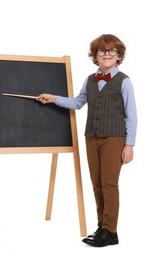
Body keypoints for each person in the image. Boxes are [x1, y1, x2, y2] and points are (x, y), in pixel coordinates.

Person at [37, 34, 137, 247]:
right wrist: (54, 98)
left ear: (119, 56)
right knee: (97, 184)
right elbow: (77, 102)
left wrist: (129, 144)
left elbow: (132, 115)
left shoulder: (124, 81)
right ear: (95, 56)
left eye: (112, 51)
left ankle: (111, 231)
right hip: (91, 137)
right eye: (102, 51)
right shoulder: (90, 80)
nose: (107, 54)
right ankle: (102, 227)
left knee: (109, 184)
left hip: (114, 137)